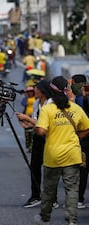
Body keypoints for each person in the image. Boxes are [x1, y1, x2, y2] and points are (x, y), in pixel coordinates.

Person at [34, 76, 89, 225]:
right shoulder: (76, 108)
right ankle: (72, 220)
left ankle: (45, 217)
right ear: (67, 90)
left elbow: (40, 131)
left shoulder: (47, 109)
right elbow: (86, 129)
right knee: (71, 189)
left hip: (53, 156)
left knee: (49, 190)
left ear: (51, 91)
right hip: (72, 154)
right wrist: (76, 137)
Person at [16, 80, 59, 208]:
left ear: (43, 91)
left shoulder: (52, 104)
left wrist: (28, 119)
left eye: (37, 88)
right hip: (38, 138)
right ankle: (35, 196)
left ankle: (53, 198)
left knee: (49, 169)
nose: (34, 90)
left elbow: (46, 124)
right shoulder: (36, 103)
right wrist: (26, 124)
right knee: (34, 167)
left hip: (50, 139)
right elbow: (36, 122)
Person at [71, 74, 89, 209]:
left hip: (83, 137)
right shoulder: (78, 98)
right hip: (83, 137)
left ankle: (80, 199)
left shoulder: (80, 99)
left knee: (82, 169)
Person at [21, 85, 36, 152]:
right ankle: (28, 145)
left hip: (33, 117)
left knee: (33, 133)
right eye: (28, 92)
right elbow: (23, 103)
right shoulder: (26, 98)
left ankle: (32, 147)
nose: (30, 93)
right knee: (27, 133)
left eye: (31, 92)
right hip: (26, 117)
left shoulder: (36, 98)